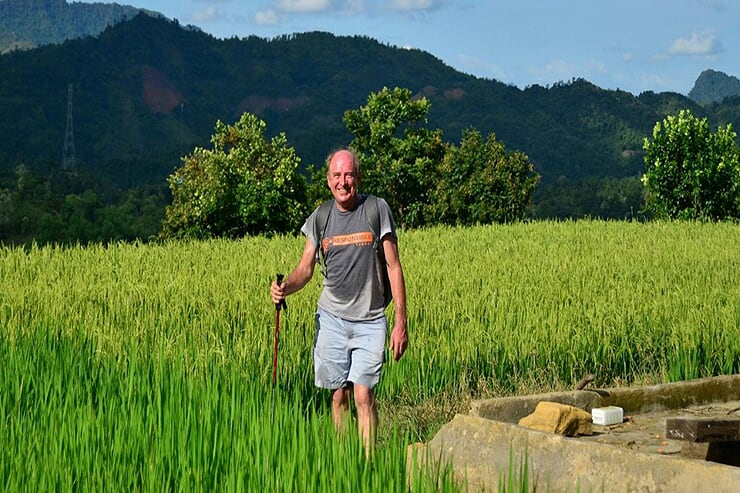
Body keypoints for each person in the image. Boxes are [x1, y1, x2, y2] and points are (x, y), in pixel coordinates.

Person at [270, 148, 408, 457]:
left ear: (357, 177)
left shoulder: (376, 209)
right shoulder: (321, 217)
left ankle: (368, 465)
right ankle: (344, 463)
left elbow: (393, 266)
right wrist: (284, 287)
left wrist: (401, 321)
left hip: (371, 319)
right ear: (328, 180)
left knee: (363, 395)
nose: (342, 182)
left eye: (348, 175)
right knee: (338, 397)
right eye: (336, 176)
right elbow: (305, 267)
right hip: (331, 319)